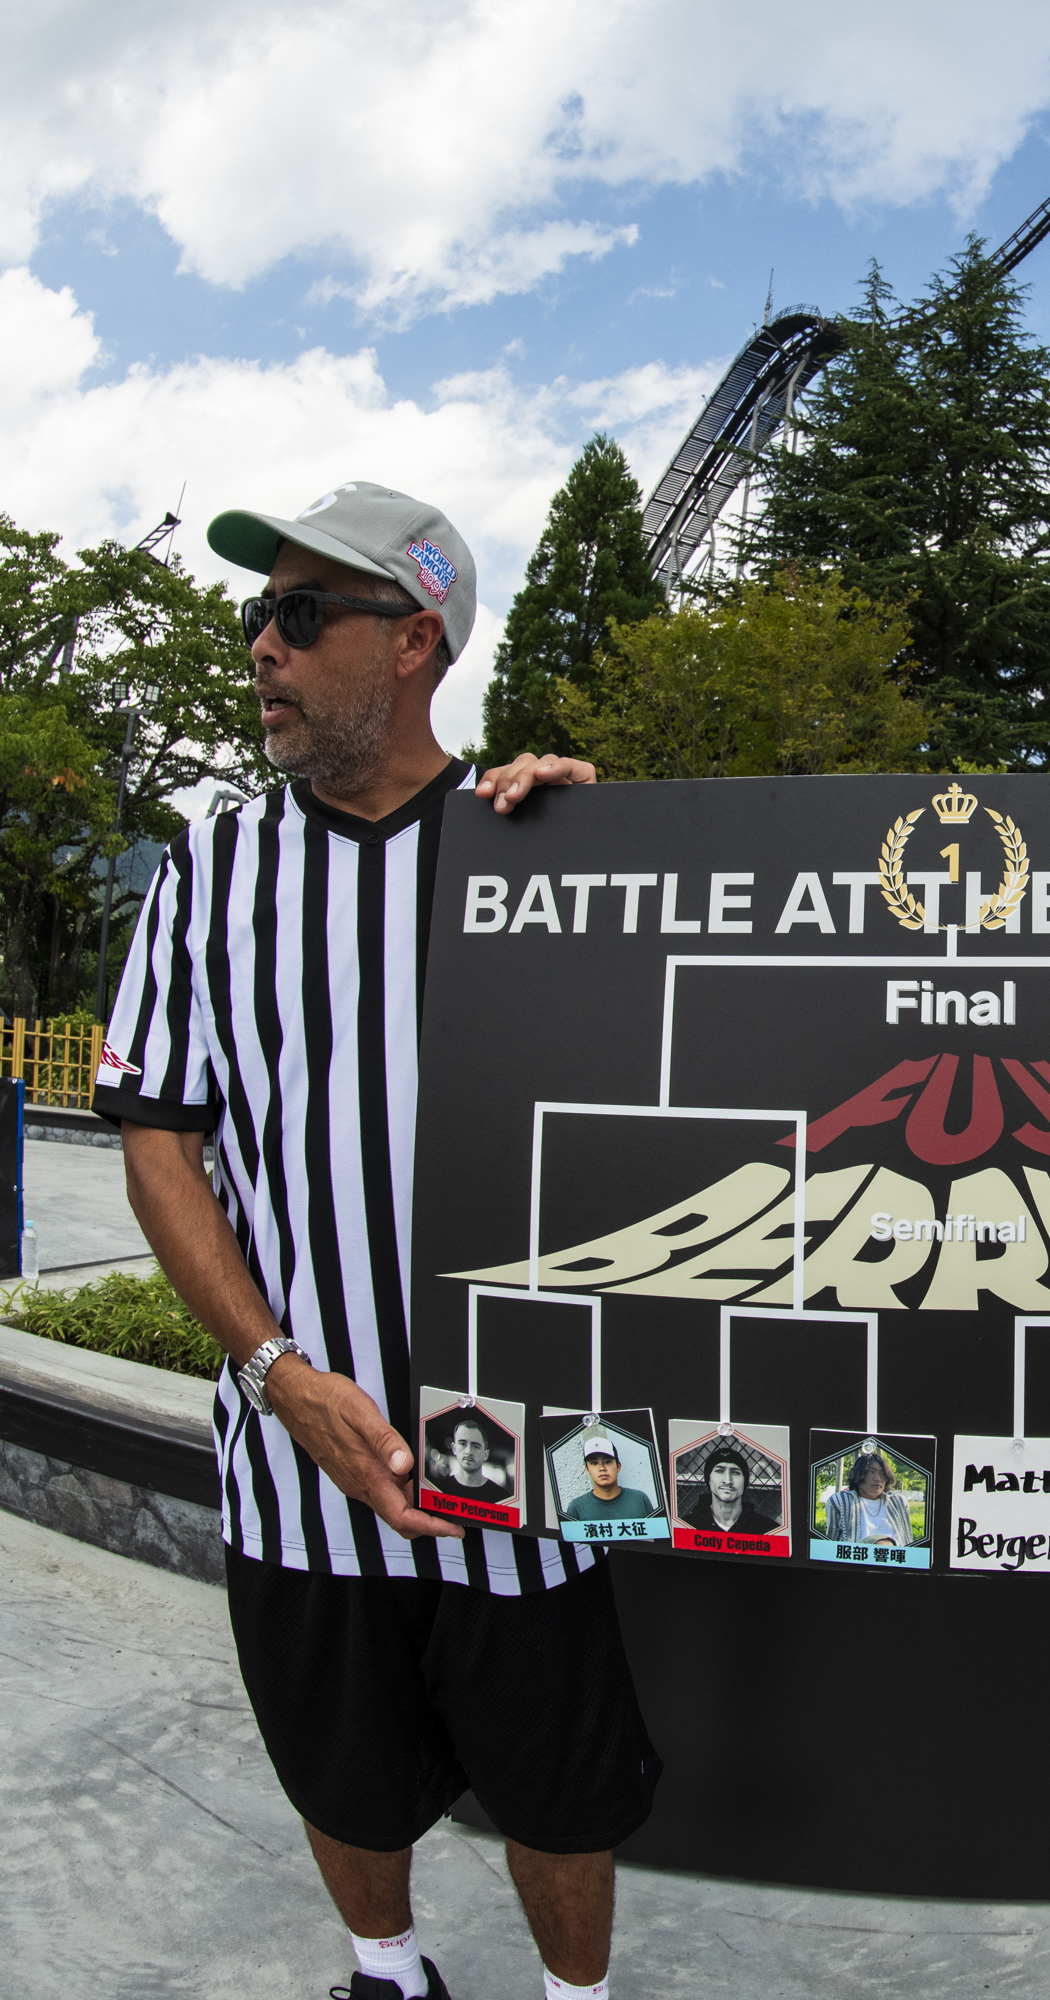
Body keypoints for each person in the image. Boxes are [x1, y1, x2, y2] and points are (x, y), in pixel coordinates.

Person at [99, 481, 657, 2000]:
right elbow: (157, 1141)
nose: (260, 647)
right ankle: (388, 1972)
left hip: (526, 1448)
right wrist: (277, 1373)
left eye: (299, 614)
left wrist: (620, 847)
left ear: (413, 640)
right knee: (338, 1765)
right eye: (258, 614)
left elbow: (686, 1074)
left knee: (558, 1783)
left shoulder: (536, 847)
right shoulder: (209, 873)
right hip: (296, 1449)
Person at [680, 1442, 781, 1537]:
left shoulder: (768, 1530)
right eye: (719, 1471)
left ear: (745, 1481)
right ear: (708, 1478)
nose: (728, 1480)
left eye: (735, 1472)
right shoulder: (686, 1527)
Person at [561, 1431, 658, 1523]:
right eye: (594, 1463)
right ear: (587, 1469)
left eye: (607, 1462)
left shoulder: (639, 1499)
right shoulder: (576, 1507)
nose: (602, 1468)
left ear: (618, 1466)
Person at [822, 1449, 914, 1544]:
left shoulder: (898, 1502)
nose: (878, 1479)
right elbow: (831, 1542)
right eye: (871, 1472)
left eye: (883, 1473)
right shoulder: (840, 1501)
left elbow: (907, 1540)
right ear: (857, 1474)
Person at [428, 1410, 514, 1503]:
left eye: (475, 1446)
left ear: (486, 1454)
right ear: (454, 1448)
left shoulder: (503, 1496)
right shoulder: (437, 1490)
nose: (468, 1452)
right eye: (463, 1444)